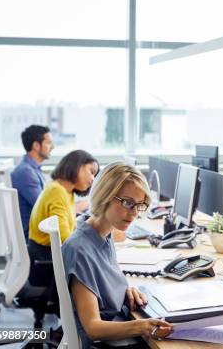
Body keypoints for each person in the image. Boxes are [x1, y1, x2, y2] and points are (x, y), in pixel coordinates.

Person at [62, 162, 173, 347]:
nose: (134, 213)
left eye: (140, 205)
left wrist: (124, 290)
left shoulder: (103, 233)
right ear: (104, 196)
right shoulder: (80, 249)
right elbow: (93, 327)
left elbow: (102, 282)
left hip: (117, 326)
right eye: (128, 203)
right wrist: (142, 326)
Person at [27, 150, 99, 288]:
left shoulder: (65, 191)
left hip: (48, 255)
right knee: (93, 262)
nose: (92, 179)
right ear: (77, 165)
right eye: (91, 171)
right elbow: (66, 239)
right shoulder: (57, 191)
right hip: (45, 261)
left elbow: (70, 229)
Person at [11, 125, 54, 239]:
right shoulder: (26, 173)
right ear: (36, 145)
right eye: (49, 143)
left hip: (36, 231)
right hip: (34, 237)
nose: (53, 147)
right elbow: (44, 208)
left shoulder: (31, 169)